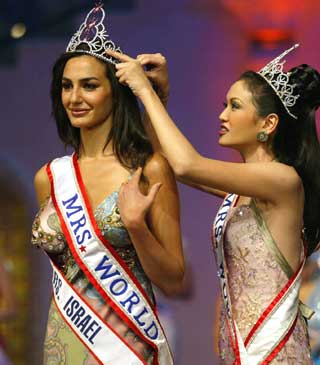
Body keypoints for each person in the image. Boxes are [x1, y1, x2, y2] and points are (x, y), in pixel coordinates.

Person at [108, 44, 320, 364]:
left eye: (235, 106)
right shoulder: (241, 192)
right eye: (225, 105)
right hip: (240, 352)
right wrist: (157, 95)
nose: (222, 115)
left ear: (268, 124)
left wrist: (143, 90)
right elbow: (167, 160)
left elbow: (187, 165)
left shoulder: (283, 180)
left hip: (276, 355)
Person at [31, 4, 184, 365]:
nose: (74, 98)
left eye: (89, 86)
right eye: (66, 87)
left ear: (115, 92)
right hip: (64, 341)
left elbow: (175, 279)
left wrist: (136, 227)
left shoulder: (149, 169)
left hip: (126, 345)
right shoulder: (50, 177)